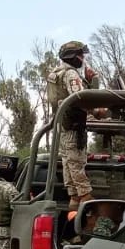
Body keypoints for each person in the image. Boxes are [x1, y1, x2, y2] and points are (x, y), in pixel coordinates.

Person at [46, 40, 101, 211]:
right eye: (80, 55)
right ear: (72, 56)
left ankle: (74, 226)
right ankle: (91, 216)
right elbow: (80, 98)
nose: (83, 58)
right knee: (77, 169)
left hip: (63, 126)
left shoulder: (55, 73)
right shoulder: (70, 74)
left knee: (72, 180)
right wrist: (98, 111)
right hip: (73, 127)